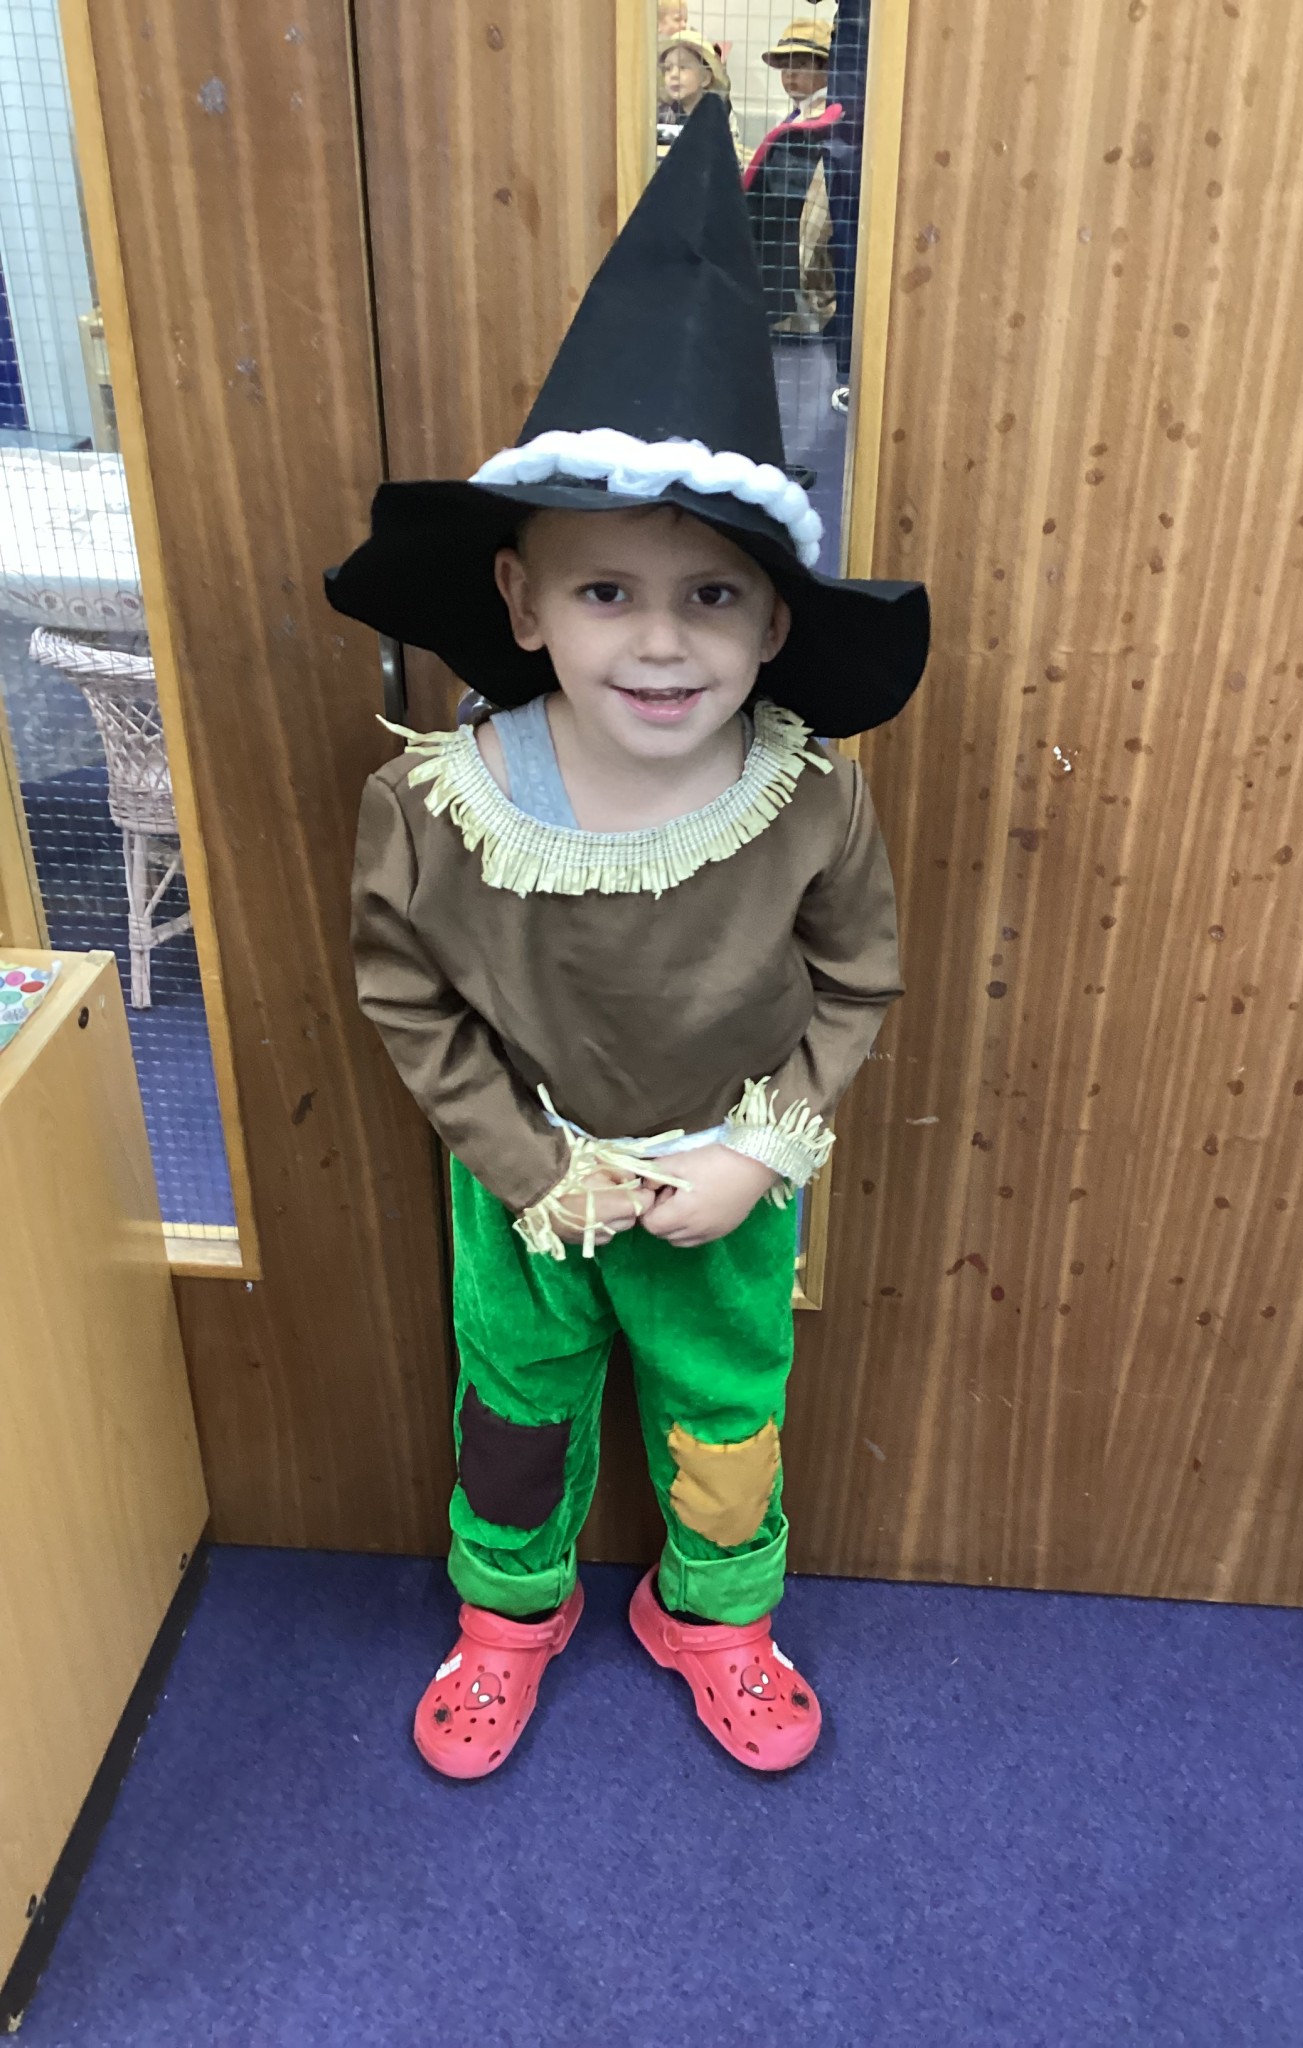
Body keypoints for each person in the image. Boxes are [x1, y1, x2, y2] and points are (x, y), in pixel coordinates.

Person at [324, 99, 928, 1779]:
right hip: (530, 1190)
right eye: (605, 593)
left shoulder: (807, 800)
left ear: (776, 619)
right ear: (520, 601)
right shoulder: (441, 802)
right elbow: (409, 996)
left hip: (723, 1183)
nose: (660, 643)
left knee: (725, 1418)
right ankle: (506, 1616)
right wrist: (527, 1166)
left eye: (712, 596)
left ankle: (712, 1611)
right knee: (515, 1414)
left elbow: (858, 978)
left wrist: (756, 1153)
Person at [744, 17, 840, 336]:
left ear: (827, 68)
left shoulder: (819, 128)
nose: (790, 74)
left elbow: (811, 220)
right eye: (785, 66)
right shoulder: (801, 118)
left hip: (796, 293)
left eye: (801, 64)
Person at [657, 29, 745, 164]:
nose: (673, 74)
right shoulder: (663, 115)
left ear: (705, 78)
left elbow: (733, 158)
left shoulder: (720, 114)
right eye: (668, 68)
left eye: (683, 67)